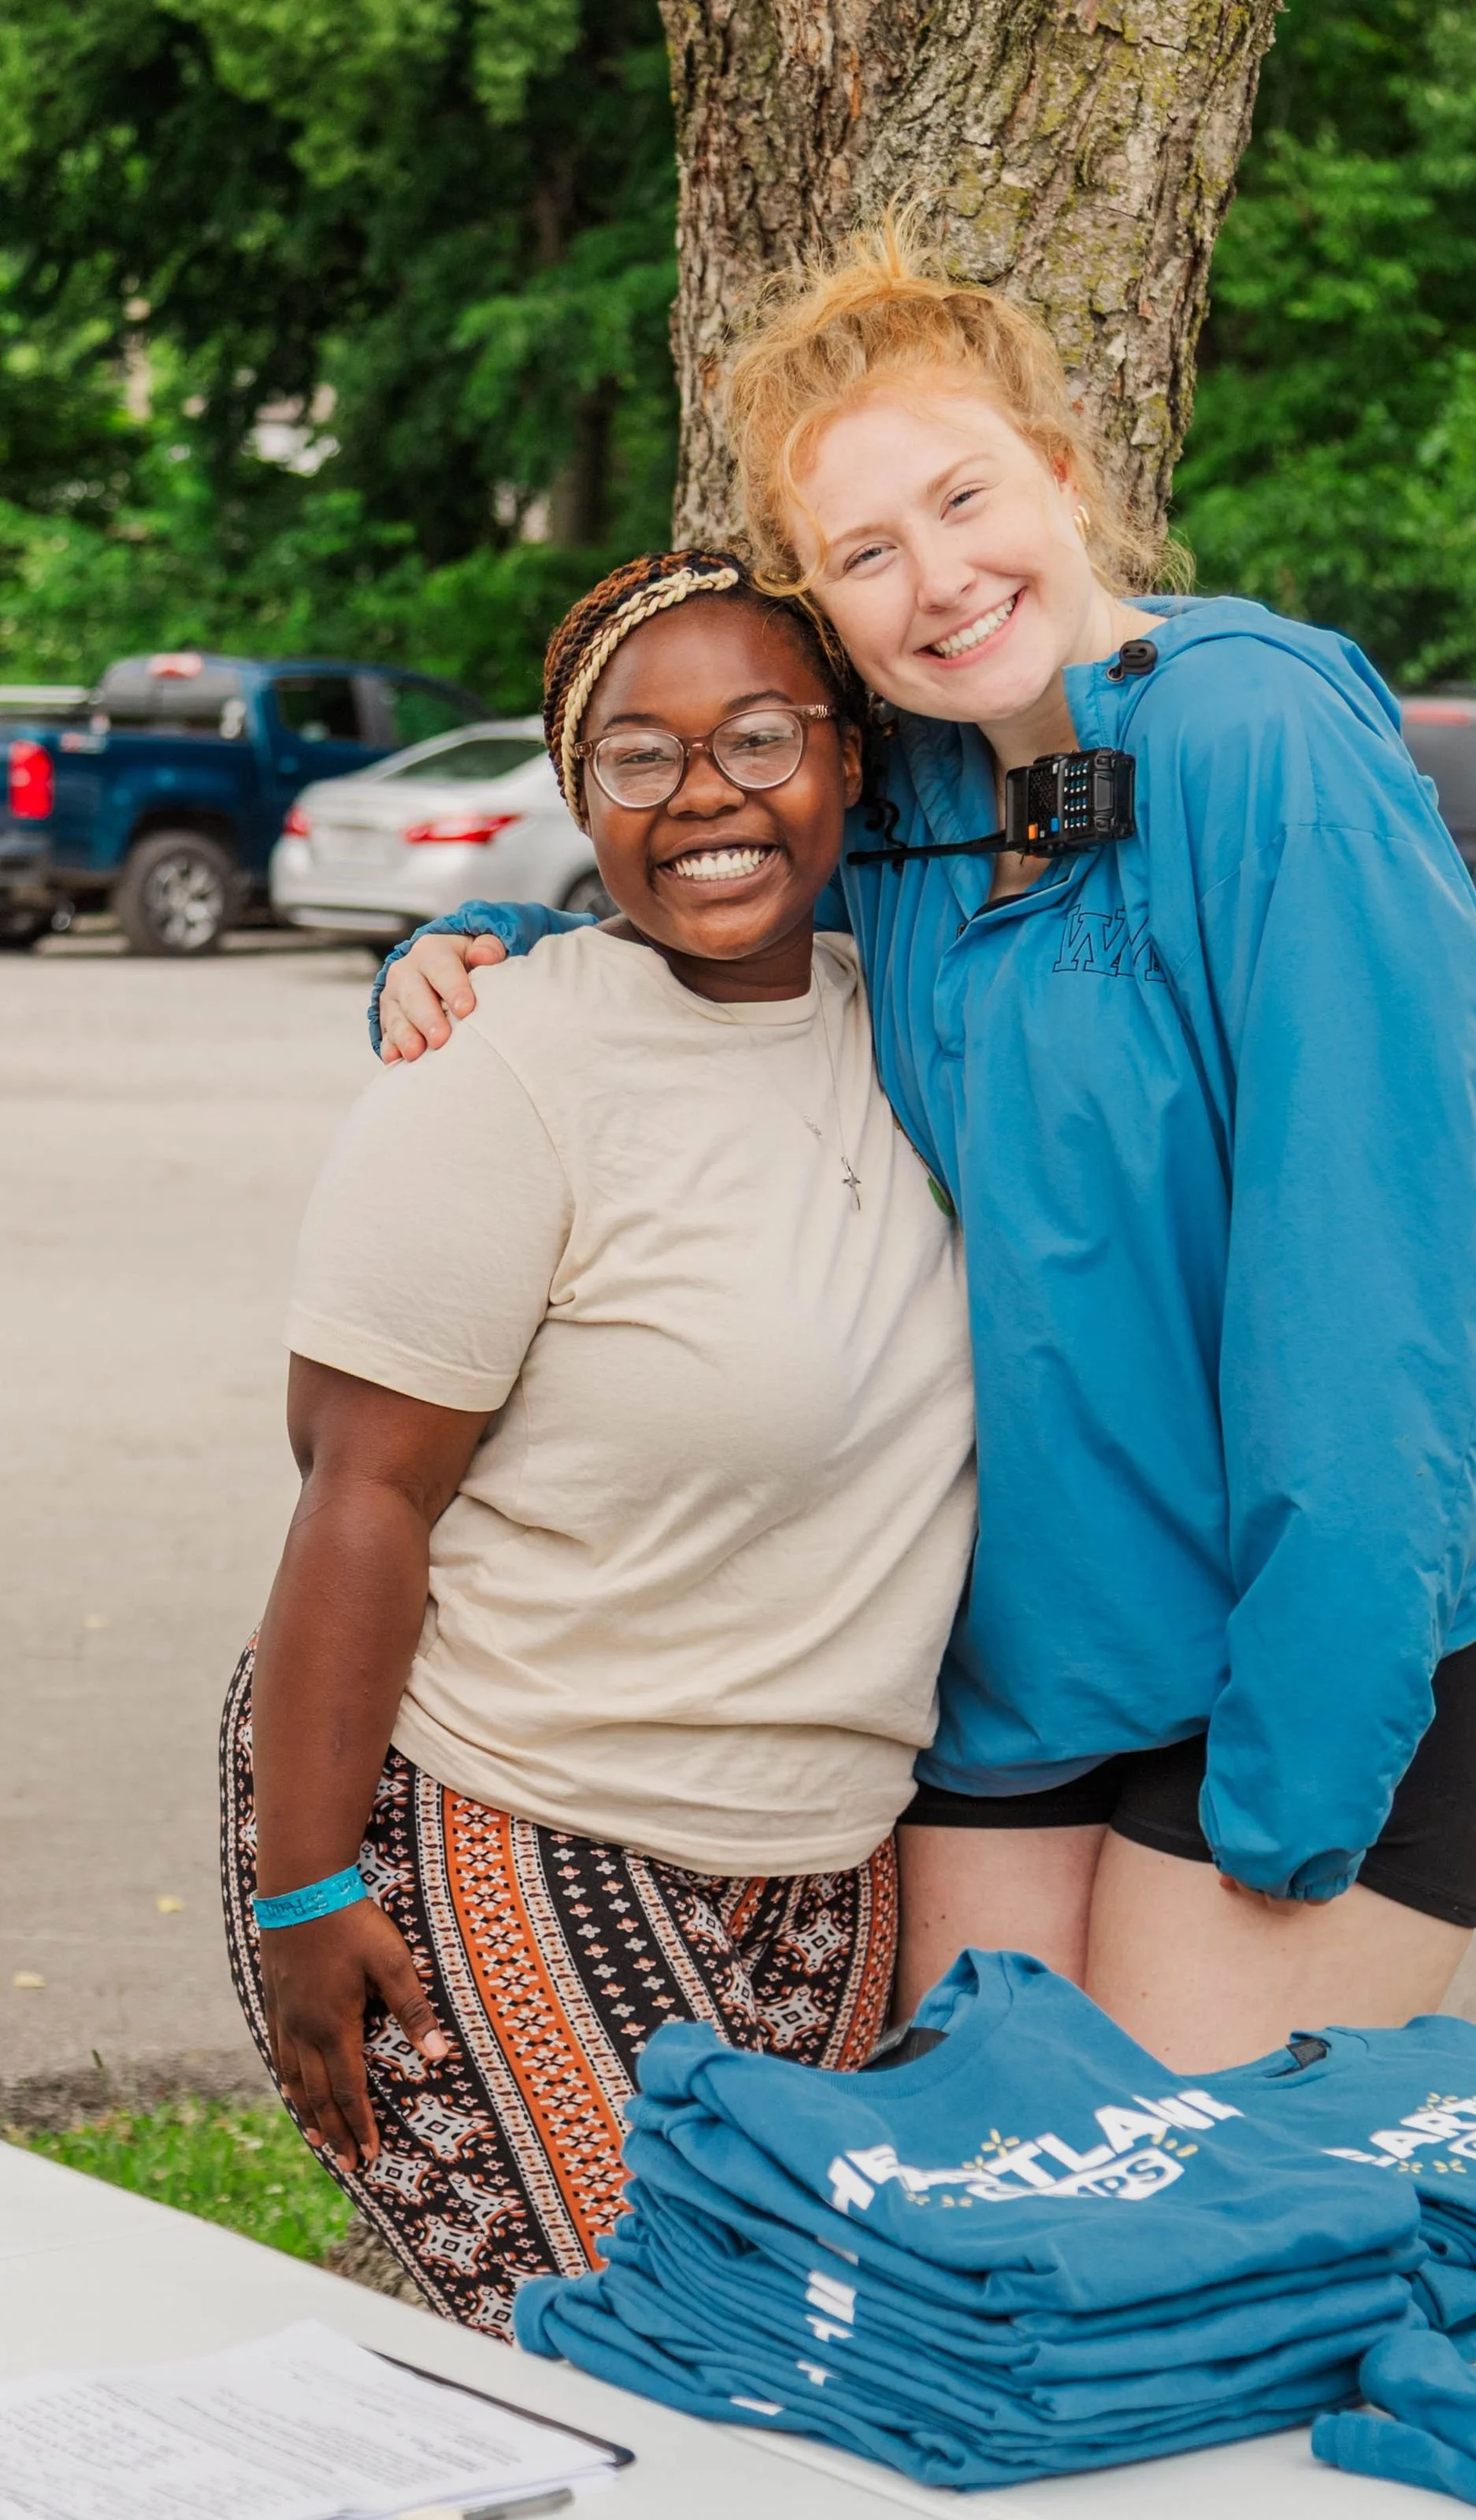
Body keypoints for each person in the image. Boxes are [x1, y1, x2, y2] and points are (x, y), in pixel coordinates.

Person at [375, 226, 1476, 2075]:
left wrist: (1304, 1756)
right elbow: (712, 904)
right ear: (831, 614)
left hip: (1311, 1632)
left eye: (964, 497)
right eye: (865, 553)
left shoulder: (1260, 748)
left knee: (1155, 2244)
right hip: (1037, 1663)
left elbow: (1368, 1279)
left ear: (1066, 481)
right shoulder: (915, 797)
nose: (938, 578)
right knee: (963, 2220)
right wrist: (486, 960)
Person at [221, 549, 976, 2337]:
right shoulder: (507, 1059)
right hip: (505, 1818)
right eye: (639, 757)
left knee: (813, 2376)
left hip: (830, 1865)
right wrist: (302, 1885)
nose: (706, 793)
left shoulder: (930, 1033)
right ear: (579, 800)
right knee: (658, 2358)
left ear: (849, 763)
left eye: (759, 738)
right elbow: (362, 1486)